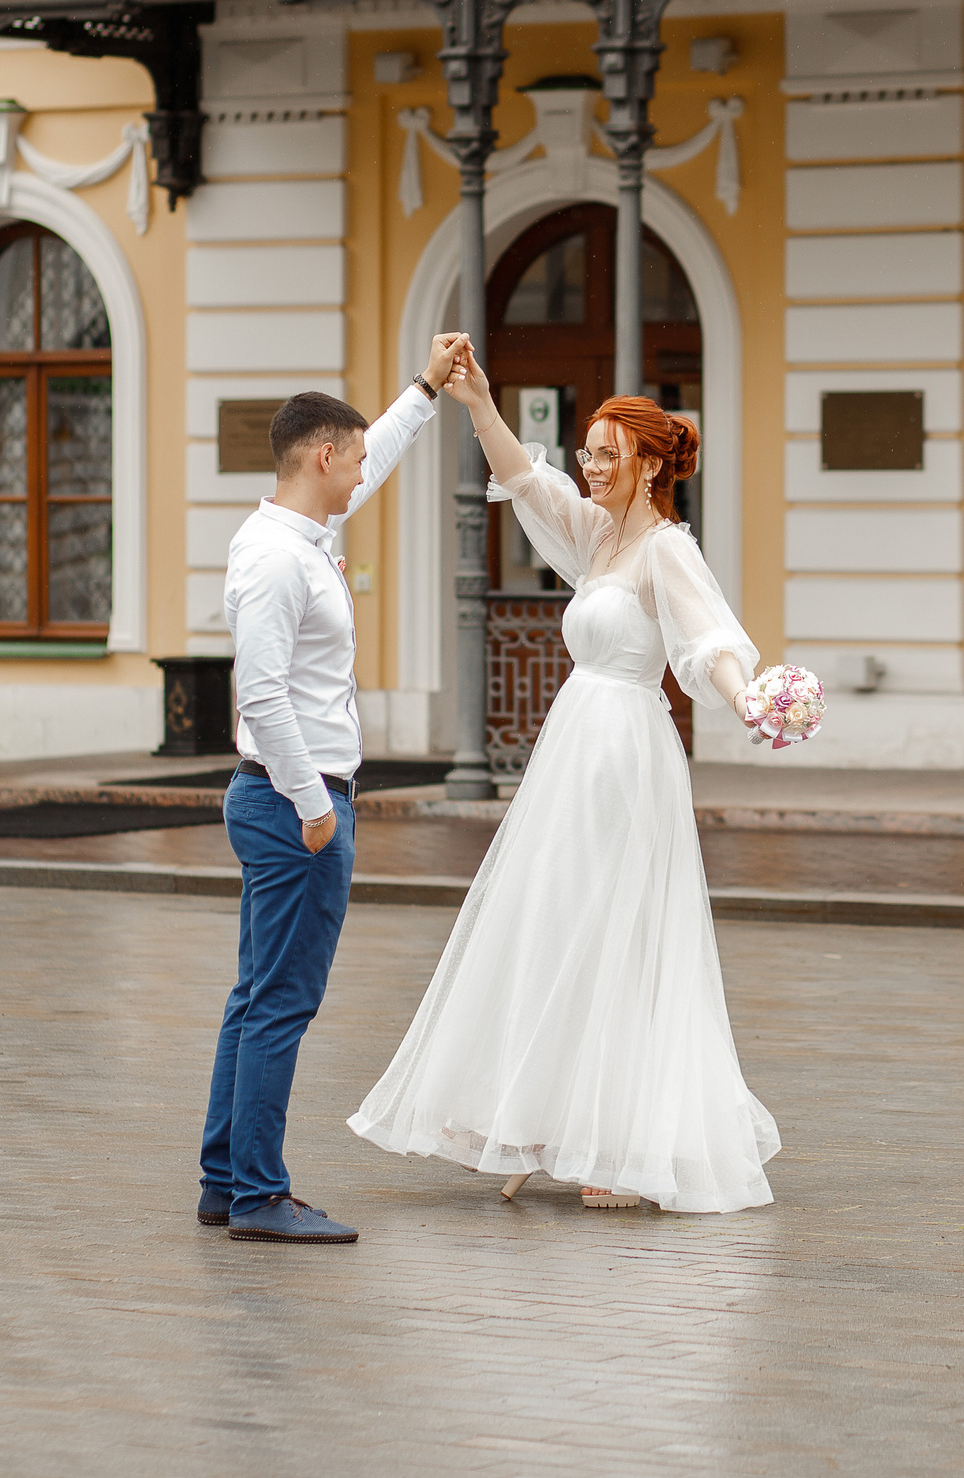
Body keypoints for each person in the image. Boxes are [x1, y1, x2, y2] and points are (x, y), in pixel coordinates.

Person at [348, 345, 782, 1214]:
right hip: (571, 749)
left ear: (650, 465)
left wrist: (754, 699)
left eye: (605, 456)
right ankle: (547, 1114)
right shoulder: (597, 534)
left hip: (625, 751)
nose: (588, 468)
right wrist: (473, 398)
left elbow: (710, 641)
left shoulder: (665, 549)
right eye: (585, 453)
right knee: (557, 916)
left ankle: (621, 1138)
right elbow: (523, 477)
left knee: (617, 928)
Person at [202, 332, 471, 1244]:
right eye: (351, 459)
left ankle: (223, 1178)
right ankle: (258, 1195)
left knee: (254, 993)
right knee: (280, 1002)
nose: (362, 473)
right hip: (294, 803)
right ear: (323, 457)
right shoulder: (278, 559)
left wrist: (425, 388)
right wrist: (316, 812)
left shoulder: (297, 532)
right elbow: (263, 693)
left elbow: (381, 451)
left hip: (284, 798)